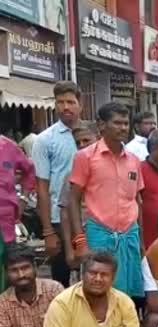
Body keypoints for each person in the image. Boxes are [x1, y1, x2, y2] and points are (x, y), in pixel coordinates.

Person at [70, 102, 144, 299]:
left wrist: (141, 241)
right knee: (100, 293)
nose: (123, 128)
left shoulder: (134, 160)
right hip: (99, 235)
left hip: (130, 235)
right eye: (117, 123)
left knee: (131, 296)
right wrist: (80, 242)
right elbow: (73, 200)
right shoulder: (85, 157)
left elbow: (136, 200)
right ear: (101, 125)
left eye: (126, 123)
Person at [31, 81, 81, 288]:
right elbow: (42, 187)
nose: (65, 107)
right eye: (60, 102)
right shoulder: (45, 140)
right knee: (60, 282)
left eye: (70, 102)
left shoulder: (92, 136)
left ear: (81, 104)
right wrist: (48, 232)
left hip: (91, 217)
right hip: (58, 219)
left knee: (94, 274)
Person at [60, 122, 99, 271]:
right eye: (78, 143)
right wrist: (70, 249)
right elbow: (64, 212)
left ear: (98, 138)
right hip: (84, 239)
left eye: (86, 141)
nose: (82, 145)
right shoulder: (71, 175)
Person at [0, 134, 35, 247]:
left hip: (5, 219)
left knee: (7, 258)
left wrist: (24, 199)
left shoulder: (7, 146)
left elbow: (30, 170)